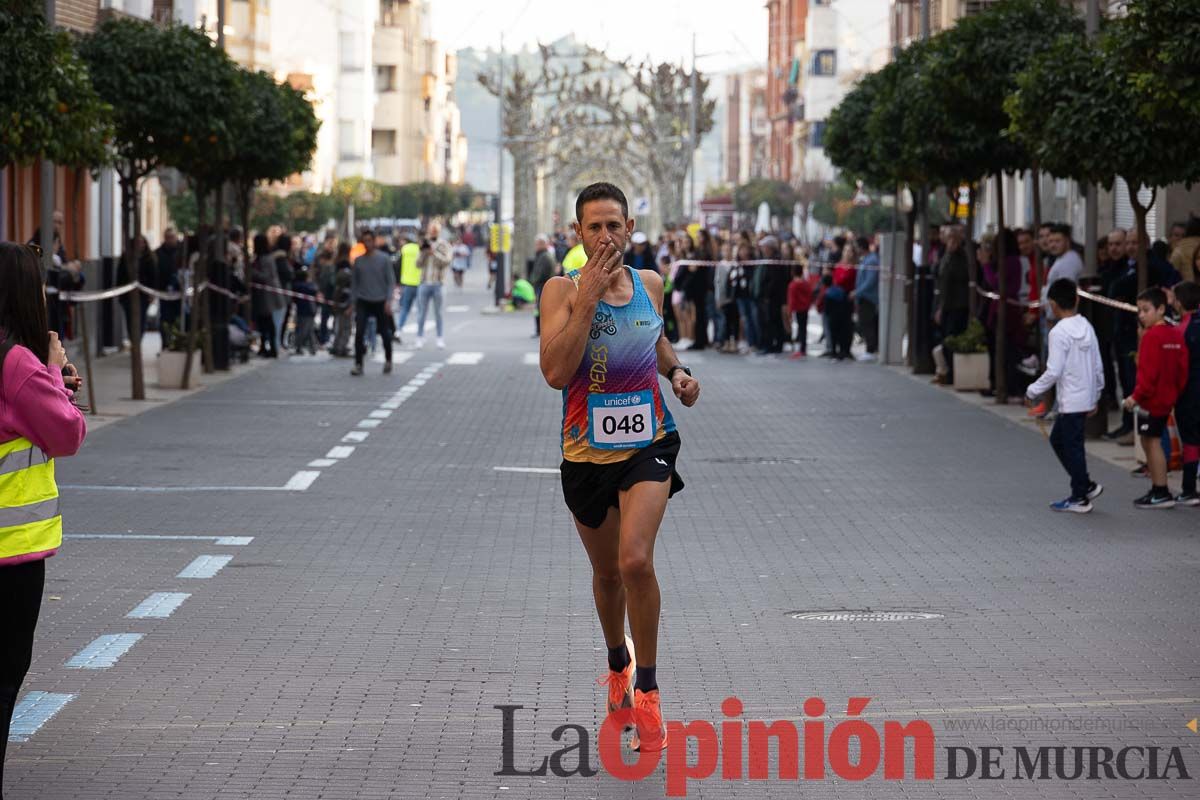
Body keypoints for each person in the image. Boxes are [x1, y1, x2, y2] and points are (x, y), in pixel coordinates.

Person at [538, 182, 700, 755]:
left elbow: (651, 339)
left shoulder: (649, 284)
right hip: (584, 453)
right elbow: (556, 372)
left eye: (614, 225)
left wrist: (676, 372)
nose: (605, 236)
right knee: (607, 575)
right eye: (594, 227)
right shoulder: (559, 291)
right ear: (577, 233)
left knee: (636, 559)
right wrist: (584, 300)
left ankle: (651, 692)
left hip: (648, 442)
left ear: (630, 229)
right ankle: (617, 666)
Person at [0, 243, 88, 789]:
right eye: (37, 283)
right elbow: (67, 433)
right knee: (6, 678)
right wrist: (53, 375)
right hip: (11, 552)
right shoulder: (17, 362)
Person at [1024, 279, 1104, 512]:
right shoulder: (1086, 326)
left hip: (1071, 400)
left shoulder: (1058, 332)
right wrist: (1096, 395)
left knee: (1071, 446)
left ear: (1052, 304)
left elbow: (1054, 371)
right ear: (1077, 299)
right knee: (1062, 441)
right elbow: (1098, 364)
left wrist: (1032, 390)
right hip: (1085, 397)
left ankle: (1080, 495)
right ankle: (1084, 485)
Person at [1124, 287, 1189, 508]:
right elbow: (1182, 371)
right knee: (1151, 441)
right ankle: (1157, 488)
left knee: (1151, 443)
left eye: (1146, 310)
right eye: (1139, 310)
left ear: (1161, 309)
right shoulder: (1175, 334)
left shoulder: (1152, 337)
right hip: (1167, 398)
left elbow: (1147, 374)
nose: (1141, 315)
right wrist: (1174, 393)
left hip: (1150, 401)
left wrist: (1135, 397)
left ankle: (1160, 490)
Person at [350, 229, 396, 376]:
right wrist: (352, 303)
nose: (368, 243)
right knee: (359, 333)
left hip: (380, 301)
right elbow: (354, 284)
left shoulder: (384, 259)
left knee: (384, 332)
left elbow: (390, 281)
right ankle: (358, 364)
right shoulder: (358, 261)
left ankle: (388, 359)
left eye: (370, 240)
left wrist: (388, 300)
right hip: (363, 300)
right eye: (365, 241)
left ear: (374, 241)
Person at [1172, 281, 1200, 505]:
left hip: (1189, 395)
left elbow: (1178, 370)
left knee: (1190, 441)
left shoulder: (1181, 331)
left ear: (1179, 304)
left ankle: (1189, 489)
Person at [414, 223, 453, 349]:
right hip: (424, 282)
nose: (433, 232)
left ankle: (439, 338)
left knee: (438, 313)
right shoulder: (423, 245)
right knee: (421, 313)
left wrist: (433, 253)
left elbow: (446, 261)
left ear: (439, 231)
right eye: (431, 230)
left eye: (435, 230)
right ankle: (419, 337)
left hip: (438, 283)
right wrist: (424, 252)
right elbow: (418, 264)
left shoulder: (444, 245)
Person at [250, 234, 284, 358]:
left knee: (268, 322)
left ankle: (271, 348)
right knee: (264, 322)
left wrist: (252, 272)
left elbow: (266, 276)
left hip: (267, 296)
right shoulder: (262, 258)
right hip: (263, 295)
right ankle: (264, 346)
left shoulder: (266, 259)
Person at [853, 235, 880, 359]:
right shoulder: (866, 259)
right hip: (864, 297)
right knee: (865, 323)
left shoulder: (872, 260)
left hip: (868, 297)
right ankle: (871, 348)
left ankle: (871, 349)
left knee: (867, 323)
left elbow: (870, 281)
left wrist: (857, 292)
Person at [394, 233, 421, 343]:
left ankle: (398, 330)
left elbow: (397, 265)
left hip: (407, 282)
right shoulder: (419, 249)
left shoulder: (404, 250)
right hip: (419, 283)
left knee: (405, 308)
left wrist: (397, 281)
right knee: (421, 311)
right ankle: (420, 335)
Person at [530, 234, 557, 337]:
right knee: (538, 309)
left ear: (542, 244)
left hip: (543, 286)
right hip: (541, 286)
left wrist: (533, 280)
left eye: (537, 244)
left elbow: (541, 274)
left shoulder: (545, 256)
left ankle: (541, 330)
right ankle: (539, 330)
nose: (535, 246)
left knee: (541, 309)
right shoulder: (542, 255)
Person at [331, 244, 354, 358]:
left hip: (337, 298)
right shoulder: (346, 266)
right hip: (344, 298)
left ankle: (337, 345)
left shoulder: (335, 263)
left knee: (339, 324)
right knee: (345, 326)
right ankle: (341, 347)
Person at [788, 263, 815, 359]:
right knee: (803, 328)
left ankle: (801, 349)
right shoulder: (806, 284)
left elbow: (792, 300)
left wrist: (790, 313)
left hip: (798, 309)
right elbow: (810, 295)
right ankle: (803, 348)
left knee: (800, 328)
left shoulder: (793, 285)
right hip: (805, 308)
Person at [291, 267, 321, 355]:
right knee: (305, 330)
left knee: (309, 329)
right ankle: (300, 346)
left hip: (304, 311)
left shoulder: (298, 286)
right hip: (307, 311)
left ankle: (312, 347)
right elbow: (314, 290)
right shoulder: (305, 286)